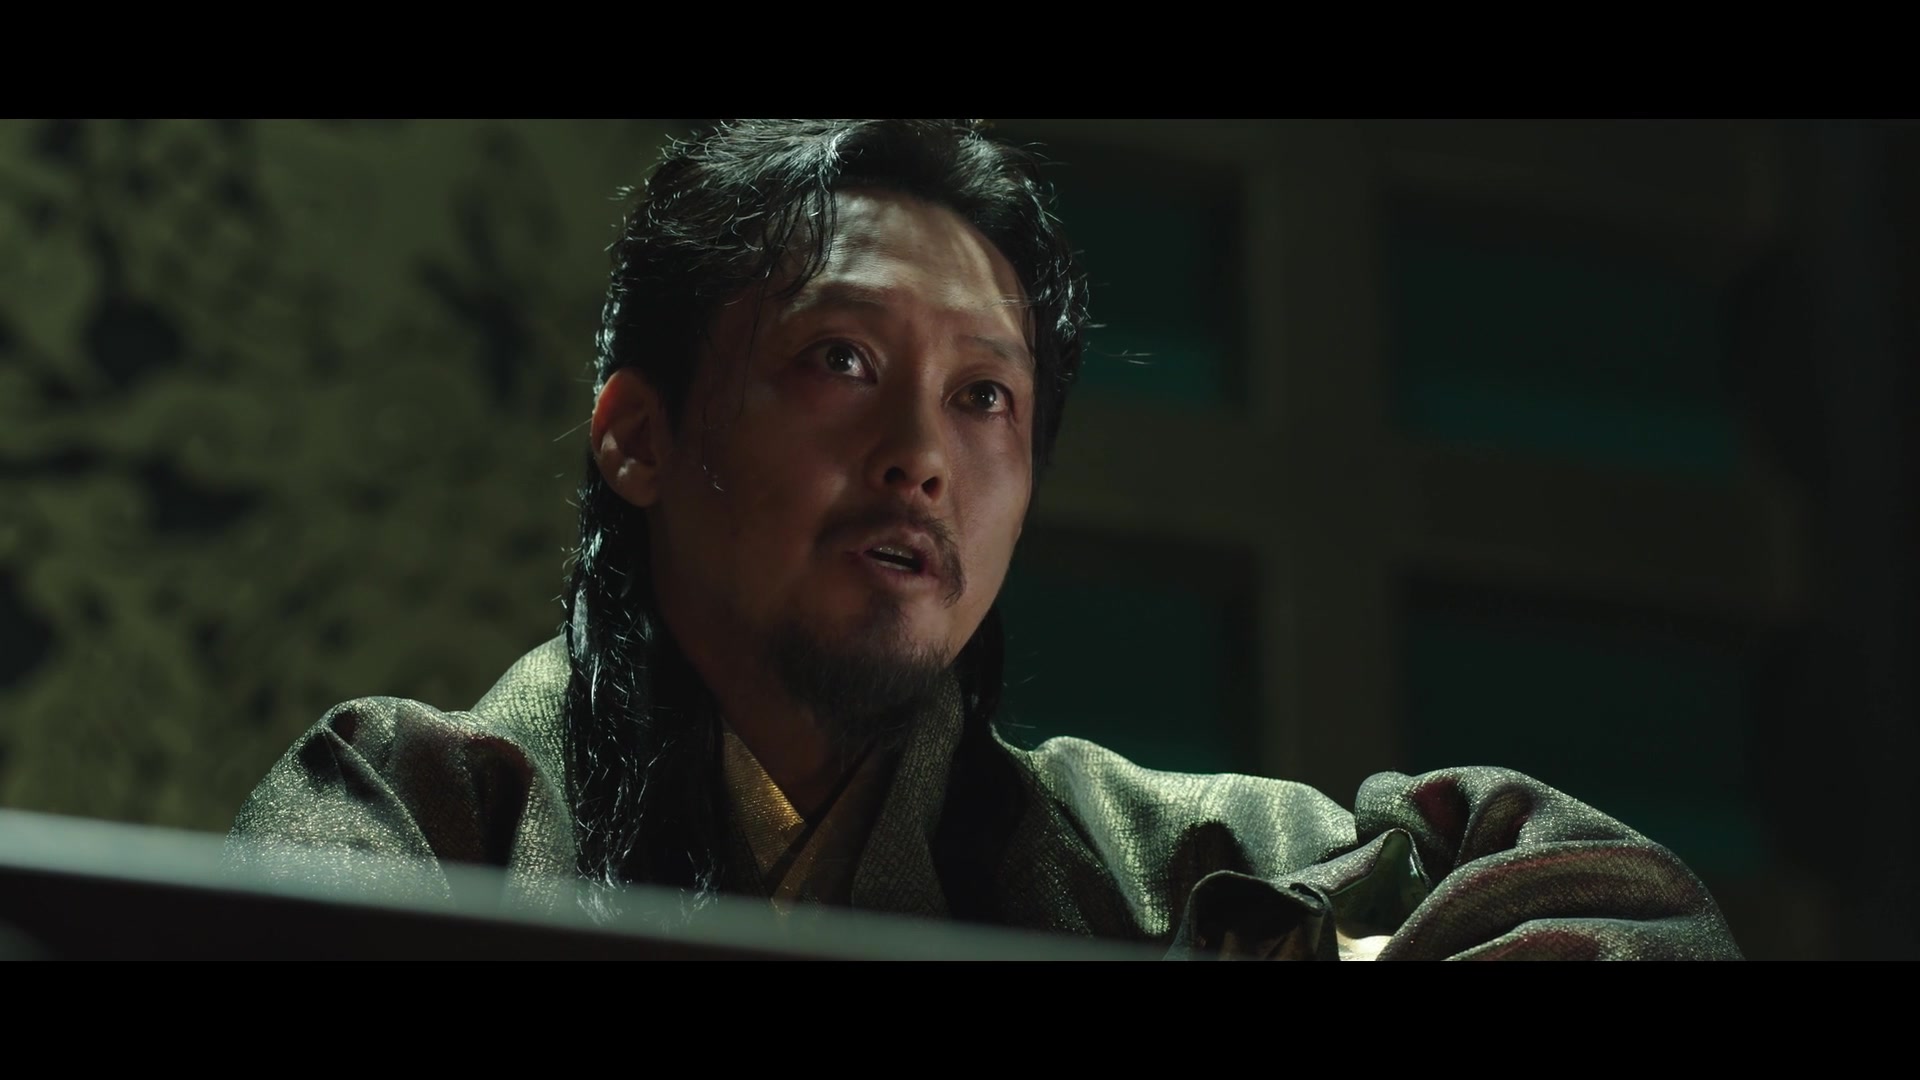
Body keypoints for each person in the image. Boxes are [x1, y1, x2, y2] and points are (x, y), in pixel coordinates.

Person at [229, 119, 1741, 959]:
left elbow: (1641, 914)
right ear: (637, 434)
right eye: (840, 360)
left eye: (985, 398)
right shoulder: (424, 810)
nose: (922, 458)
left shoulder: (1150, 866)